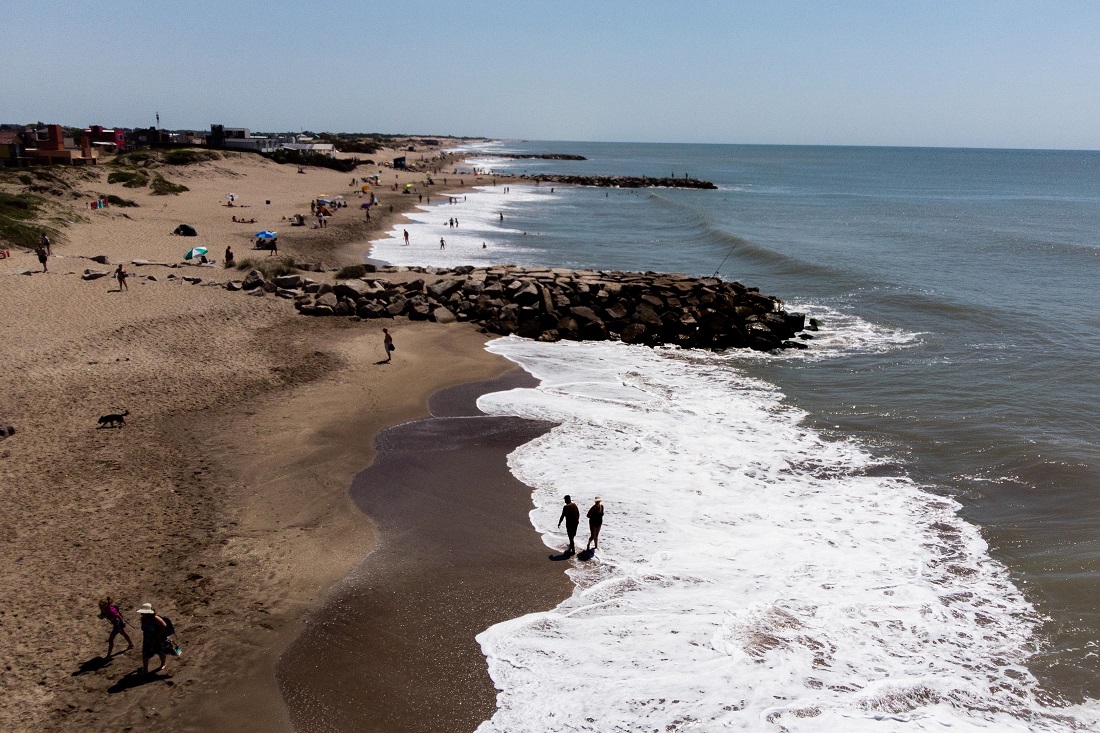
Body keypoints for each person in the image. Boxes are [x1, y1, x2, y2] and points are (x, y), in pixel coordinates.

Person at [137, 603, 171, 674]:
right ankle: (145, 669)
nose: (142, 614)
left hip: (156, 639)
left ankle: (163, 664)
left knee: (160, 651)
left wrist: (158, 635)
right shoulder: (143, 618)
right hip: (147, 639)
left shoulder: (155, 618)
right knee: (145, 653)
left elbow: (164, 625)